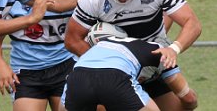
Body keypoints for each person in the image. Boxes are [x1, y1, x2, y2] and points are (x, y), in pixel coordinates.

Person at [64, 0, 201, 110]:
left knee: (184, 104)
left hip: (154, 62)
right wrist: (109, 62)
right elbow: (72, 39)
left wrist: (173, 49)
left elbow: (192, 23)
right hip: (116, 73)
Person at [62, 22, 197, 111]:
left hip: (76, 78)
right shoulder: (159, 50)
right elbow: (189, 98)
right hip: (115, 78)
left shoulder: (90, 54)